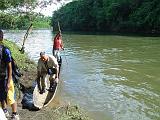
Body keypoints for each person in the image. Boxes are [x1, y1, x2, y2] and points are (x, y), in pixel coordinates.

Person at [0, 30, 19, 120]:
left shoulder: (5, 50)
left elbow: (9, 67)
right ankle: (4, 111)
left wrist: (8, 81)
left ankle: (15, 114)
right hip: (0, 78)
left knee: (10, 96)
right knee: (1, 96)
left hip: (6, 78)